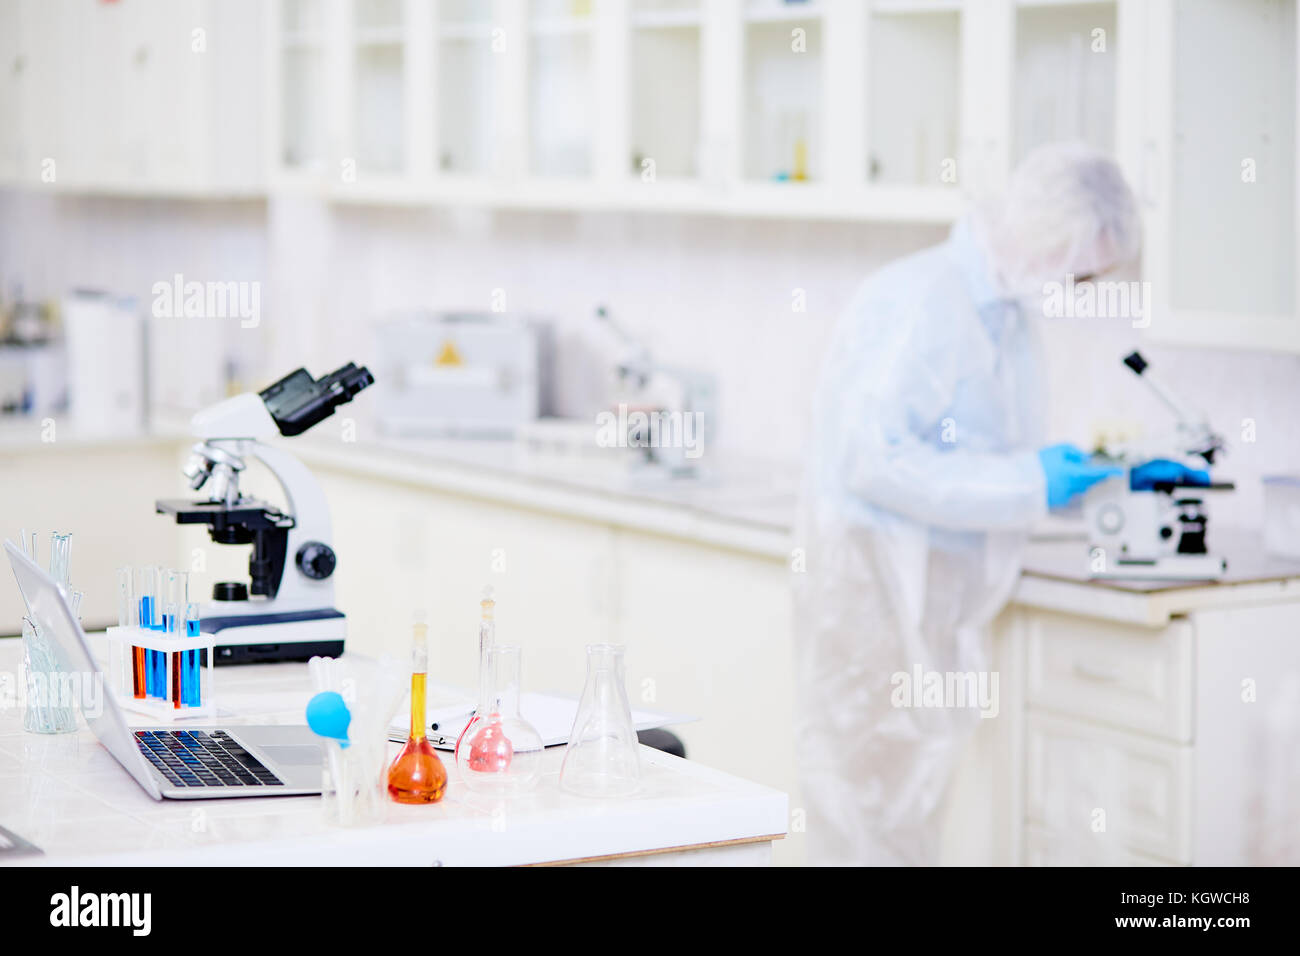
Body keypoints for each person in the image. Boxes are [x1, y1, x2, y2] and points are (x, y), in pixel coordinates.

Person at [793, 142, 1142, 866]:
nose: (1078, 289)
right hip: (872, 585)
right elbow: (872, 460)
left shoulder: (1005, 317)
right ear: (1052, 233)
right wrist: (1032, 483)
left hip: (931, 590)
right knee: (863, 807)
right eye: (1081, 271)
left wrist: (1102, 479)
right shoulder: (925, 299)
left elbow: (978, 457)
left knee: (911, 805)